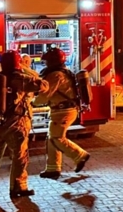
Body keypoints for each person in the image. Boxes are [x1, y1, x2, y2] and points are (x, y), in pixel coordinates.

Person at [0, 51, 48, 204]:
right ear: (18, 63)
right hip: (17, 124)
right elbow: (44, 86)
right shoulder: (21, 79)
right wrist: (25, 69)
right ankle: (18, 187)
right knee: (20, 156)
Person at [34, 47, 90, 179]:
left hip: (63, 111)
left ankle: (80, 155)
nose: (45, 64)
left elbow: (45, 94)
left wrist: (33, 103)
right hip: (63, 110)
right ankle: (53, 169)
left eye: (47, 61)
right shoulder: (62, 72)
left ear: (52, 61)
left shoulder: (55, 75)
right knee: (51, 138)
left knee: (57, 138)